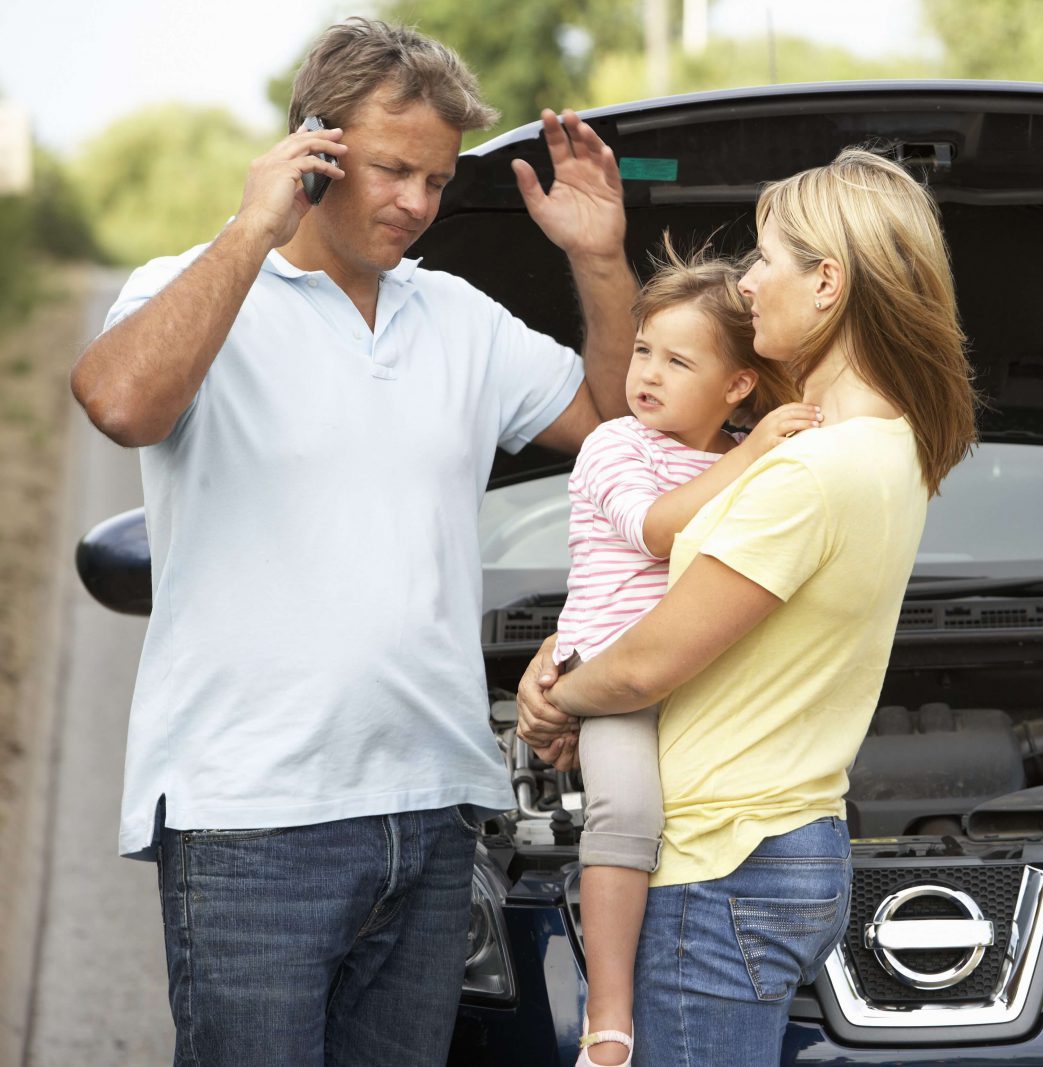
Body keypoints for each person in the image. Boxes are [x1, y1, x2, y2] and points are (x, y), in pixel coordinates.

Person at [69, 18, 635, 1066]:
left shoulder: (460, 318)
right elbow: (118, 400)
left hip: (433, 808)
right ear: (313, 153)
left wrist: (598, 259)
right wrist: (250, 229)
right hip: (249, 816)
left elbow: (618, 431)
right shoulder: (189, 286)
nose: (417, 205)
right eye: (391, 171)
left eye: (435, 180)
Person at [517, 147, 979, 1067]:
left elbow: (651, 662)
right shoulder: (888, 446)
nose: (749, 281)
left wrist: (556, 697)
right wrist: (571, 647)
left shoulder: (810, 469)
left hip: (719, 859)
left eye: (767, 259)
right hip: (788, 840)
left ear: (828, 283)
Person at [554, 244, 821, 1067]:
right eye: (643, 351)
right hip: (616, 681)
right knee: (627, 815)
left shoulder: (744, 456)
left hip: (707, 689)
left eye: (678, 360)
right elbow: (653, 530)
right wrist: (752, 453)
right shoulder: (614, 446)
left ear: (738, 383)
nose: (649, 374)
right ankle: (610, 1016)